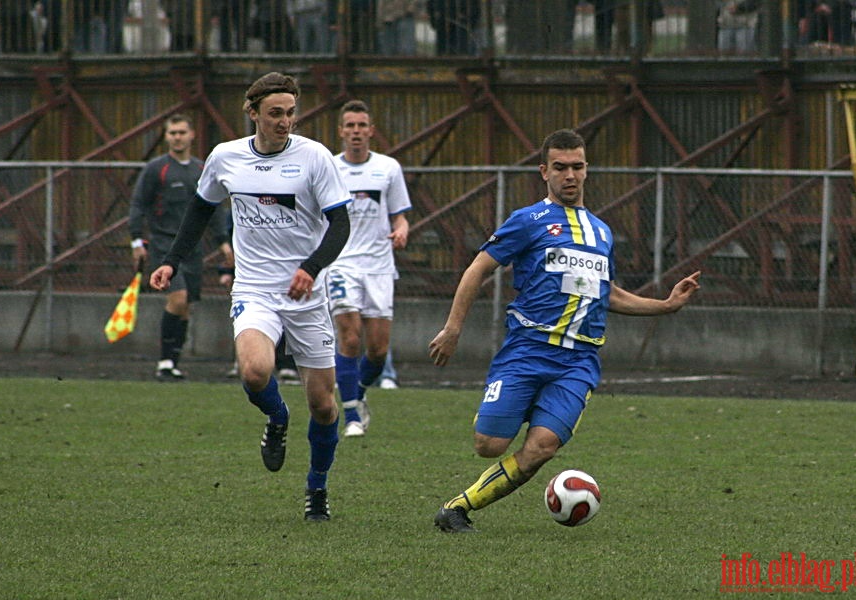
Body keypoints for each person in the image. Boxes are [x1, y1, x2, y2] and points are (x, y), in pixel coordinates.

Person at [428, 129, 701, 533]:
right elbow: (477, 269)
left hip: (578, 361)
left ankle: (456, 509)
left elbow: (606, 294)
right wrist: (453, 329)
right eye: (560, 167)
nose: (569, 175)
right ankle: (510, 404)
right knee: (489, 446)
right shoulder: (528, 221)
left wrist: (665, 305)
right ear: (544, 171)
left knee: (542, 448)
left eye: (577, 166)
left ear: (587, 170)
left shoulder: (602, 233)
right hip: (527, 349)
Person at [149, 72, 351, 521]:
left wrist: (310, 268)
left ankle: (316, 489)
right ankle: (277, 419)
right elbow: (199, 212)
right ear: (253, 112)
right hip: (255, 287)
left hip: (307, 294)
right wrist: (171, 260)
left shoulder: (315, 157)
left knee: (322, 404)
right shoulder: (226, 158)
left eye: (291, 113)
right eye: (275, 113)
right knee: (256, 371)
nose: (285, 122)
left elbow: (341, 224)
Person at [328, 99, 411, 437]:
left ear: (371, 131)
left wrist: (402, 228)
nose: (356, 132)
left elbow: (400, 215)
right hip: (341, 262)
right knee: (349, 337)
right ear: (341, 132)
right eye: (350, 126)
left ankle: (356, 394)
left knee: (377, 350)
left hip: (378, 265)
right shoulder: (330, 168)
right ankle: (350, 417)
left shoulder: (389, 168)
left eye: (362, 125)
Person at [129, 114, 232, 381]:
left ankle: (173, 362)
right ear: (166, 136)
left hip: (193, 248)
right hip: (164, 244)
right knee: (177, 298)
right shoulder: (156, 169)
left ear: (192, 135)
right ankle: (164, 361)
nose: (177, 137)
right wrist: (136, 240)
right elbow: (138, 204)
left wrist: (223, 241)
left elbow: (214, 207)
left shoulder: (201, 169)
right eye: (172, 132)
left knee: (186, 305)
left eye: (181, 132)